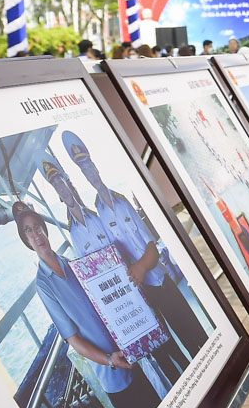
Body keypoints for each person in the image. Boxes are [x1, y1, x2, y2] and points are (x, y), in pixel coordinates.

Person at [15, 202, 163, 408]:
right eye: (28, 230)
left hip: (130, 354)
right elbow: (73, 340)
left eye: (37, 227)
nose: (36, 234)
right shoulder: (43, 285)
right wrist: (110, 359)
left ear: (45, 228)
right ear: (25, 240)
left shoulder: (74, 264)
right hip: (112, 374)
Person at [61, 131, 209, 358]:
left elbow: (152, 246)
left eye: (91, 168)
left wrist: (140, 268)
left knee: (194, 336)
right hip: (137, 297)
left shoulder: (121, 202)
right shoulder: (96, 214)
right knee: (166, 351)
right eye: (84, 171)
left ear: (97, 170)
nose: (90, 174)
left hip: (159, 282)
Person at [40, 158, 191, 379]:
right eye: (57, 187)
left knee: (166, 338)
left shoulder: (97, 216)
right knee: (156, 352)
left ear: (70, 184)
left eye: (63, 182)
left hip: (136, 286)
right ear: (59, 195)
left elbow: (121, 250)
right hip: (122, 300)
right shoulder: (74, 233)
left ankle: (190, 370)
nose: (63, 189)